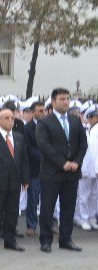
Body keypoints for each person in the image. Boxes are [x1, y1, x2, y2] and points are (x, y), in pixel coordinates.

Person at [36, 87, 88, 253]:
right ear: (53, 102)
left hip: (72, 172)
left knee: (68, 207)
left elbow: (82, 144)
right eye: (62, 99)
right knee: (47, 207)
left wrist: (76, 162)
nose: (66, 102)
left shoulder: (75, 121)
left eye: (67, 98)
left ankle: (66, 239)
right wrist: (62, 163)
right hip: (52, 172)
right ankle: (45, 240)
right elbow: (44, 146)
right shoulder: (45, 122)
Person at [0, 109, 29, 252]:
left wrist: (25, 180)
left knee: (12, 213)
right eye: (6, 118)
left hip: (14, 181)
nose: (10, 121)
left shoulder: (19, 138)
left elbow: (24, 161)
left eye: (12, 118)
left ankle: (10, 240)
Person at [24, 101, 45, 236]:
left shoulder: (50, 126)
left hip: (50, 169)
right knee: (33, 198)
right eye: (40, 111)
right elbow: (28, 148)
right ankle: (31, 224)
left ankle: (47, 225)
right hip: (34, 169)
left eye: (44, 110)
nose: (43, 113)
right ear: (32, 113)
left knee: (48, 199)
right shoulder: (27, 128)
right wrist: (44, 156)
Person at [77, 104, 98, 230]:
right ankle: (83, 218)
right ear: (89, 118)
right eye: (94, 116)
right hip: (85, 167)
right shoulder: (84, 130)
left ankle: (92, 217)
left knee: (94, 194)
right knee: (84, 195)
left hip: (96, 167)